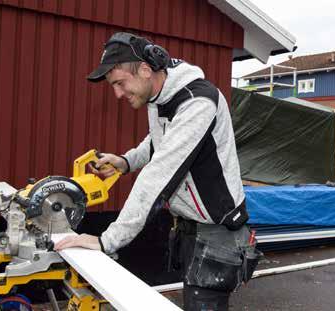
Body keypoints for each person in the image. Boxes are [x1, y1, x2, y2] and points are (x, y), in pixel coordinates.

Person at [54, 32, 259, 310]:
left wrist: (106, 241)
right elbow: (159, 139)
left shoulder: (198, 103)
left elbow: (158, 176)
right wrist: (126, 161)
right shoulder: (161, 95)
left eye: (119, 83)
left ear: (145, 69)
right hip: (190, 227)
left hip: (217, 232)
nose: (117, 94)